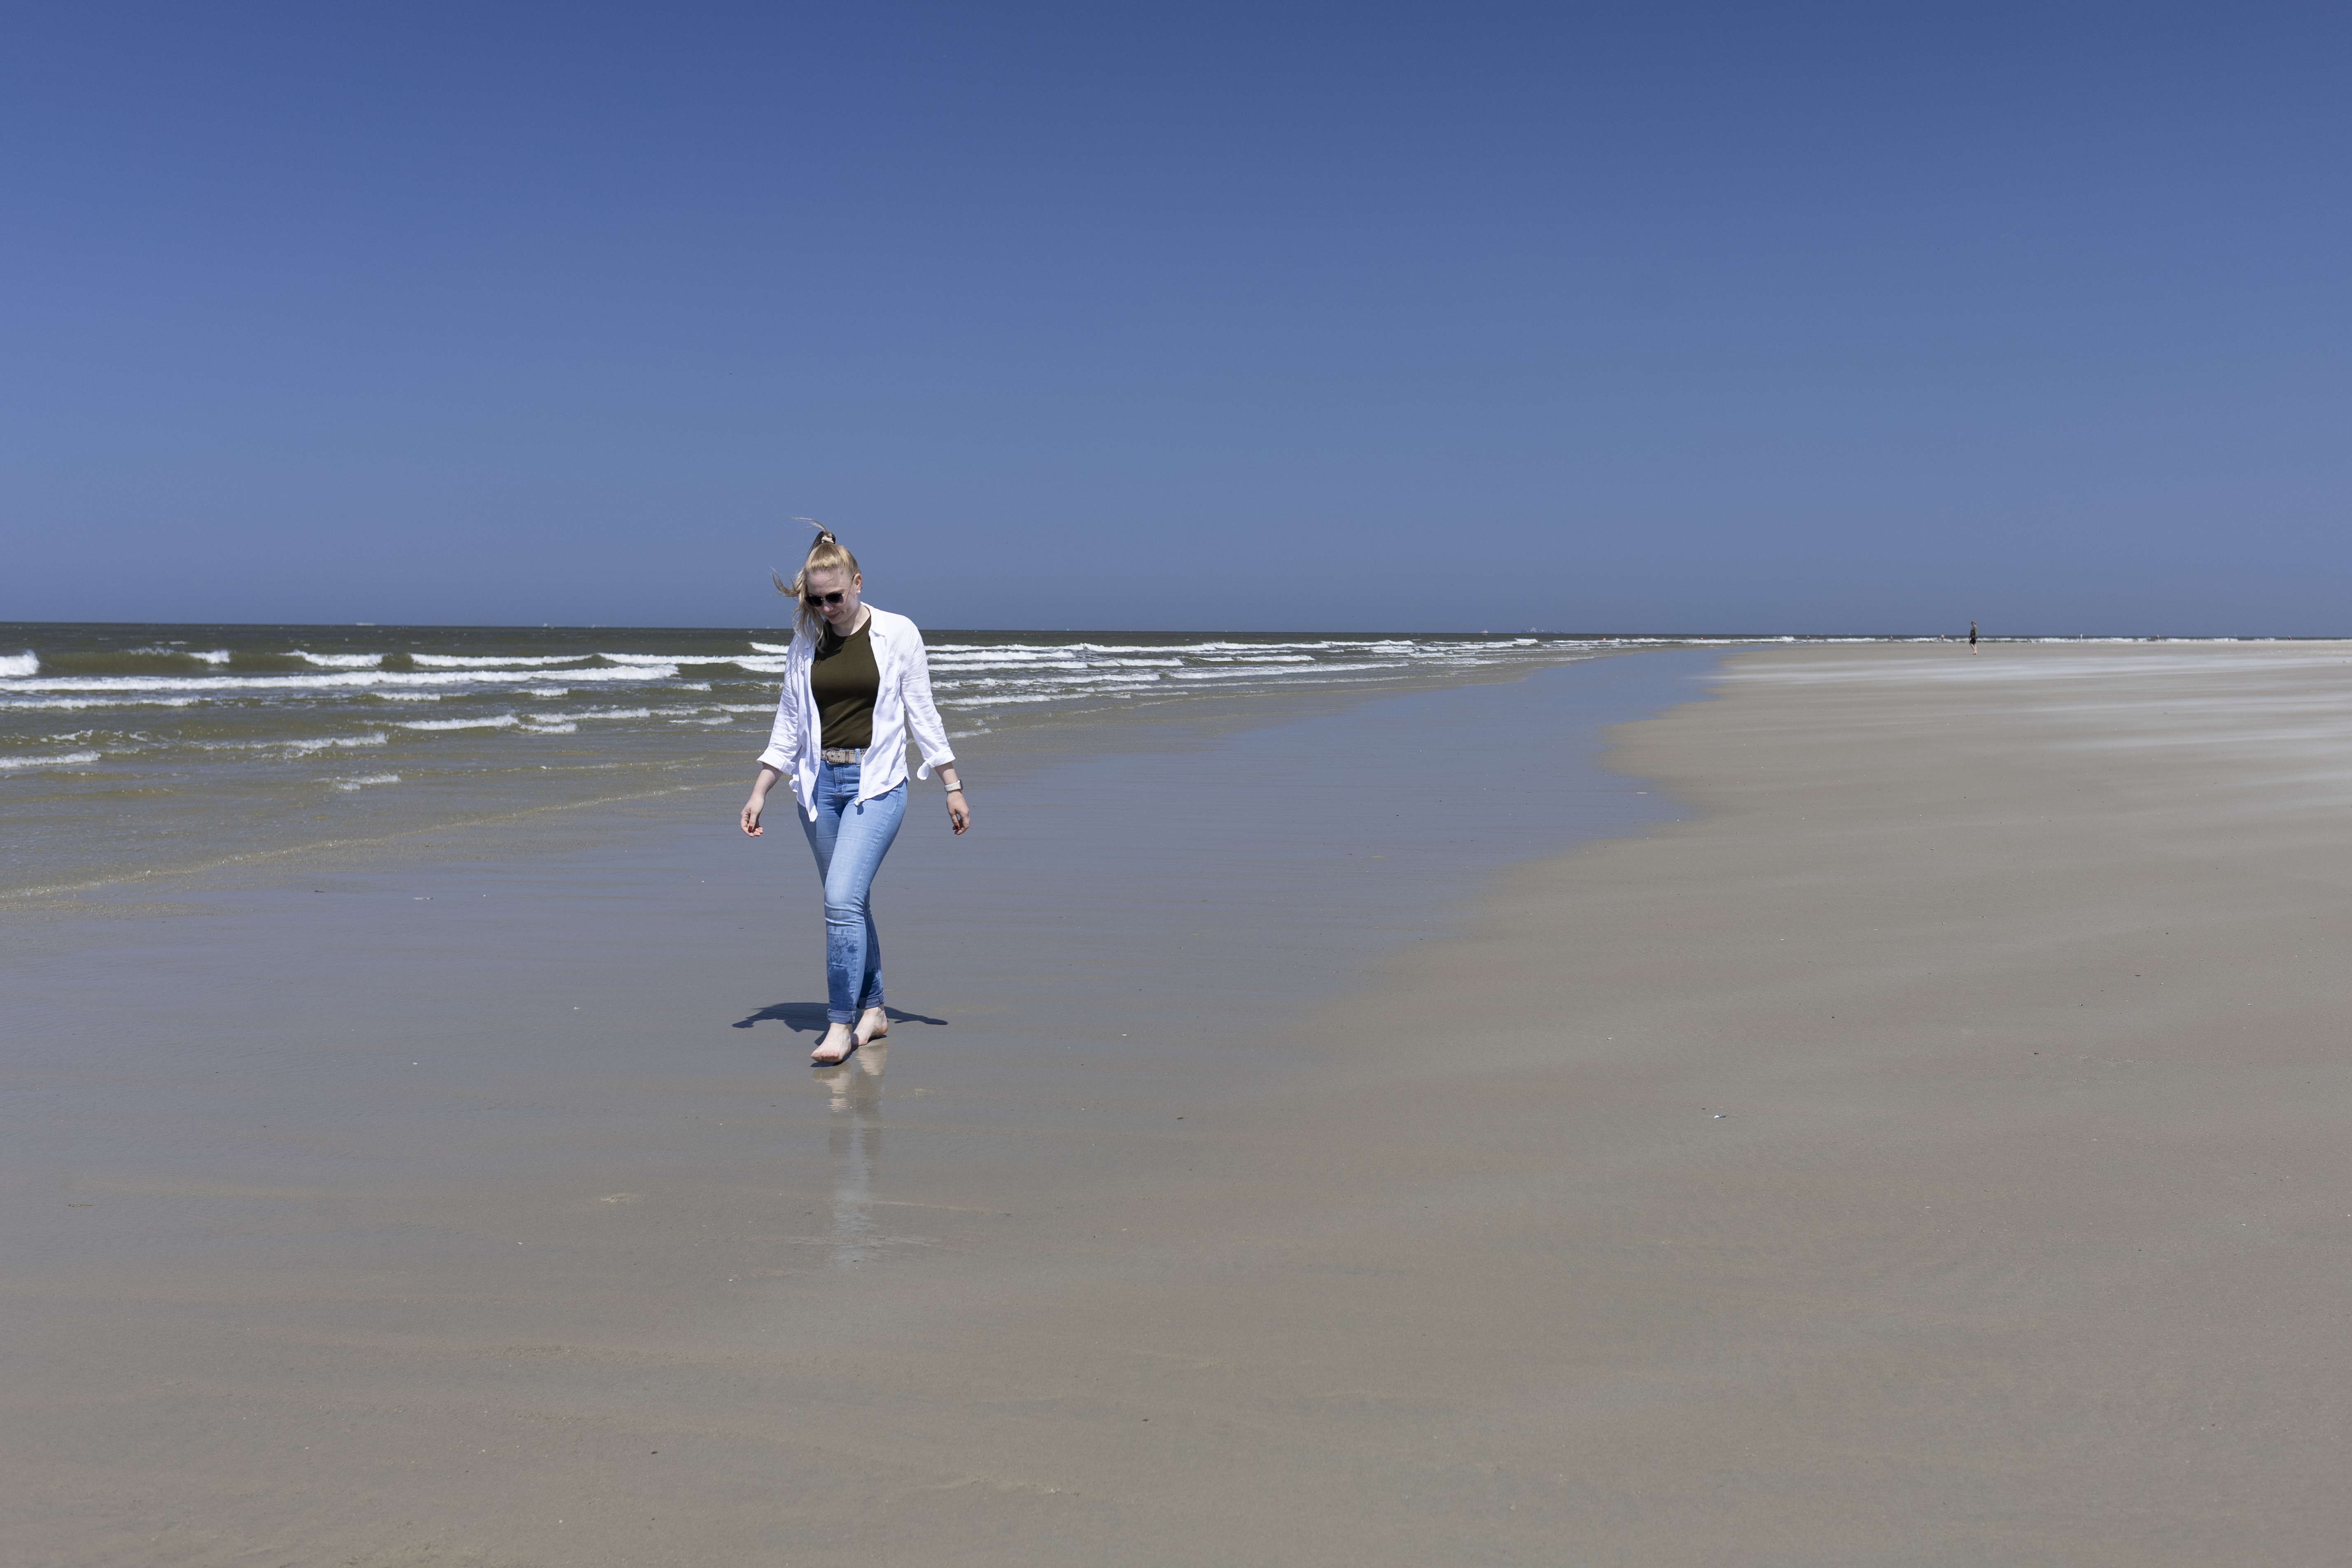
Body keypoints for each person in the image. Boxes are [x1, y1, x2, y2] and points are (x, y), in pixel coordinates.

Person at [739, 525, 969, 1064]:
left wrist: (952, 785)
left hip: (877, 786)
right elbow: (789, 724)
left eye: (834, 597)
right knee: (851, 903)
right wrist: (759, 790)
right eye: (816, 601)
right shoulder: (805, 644)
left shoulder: (898, 634)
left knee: (839, 900)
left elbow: (922, 714)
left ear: (858, 582)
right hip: (819, 790)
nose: (825, 608)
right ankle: (875, 1010)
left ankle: (839, 1023)